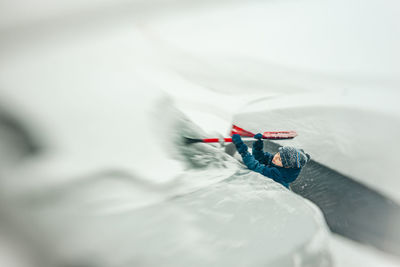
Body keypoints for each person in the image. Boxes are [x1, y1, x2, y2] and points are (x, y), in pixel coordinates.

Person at [232, 133, 311, 189]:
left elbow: (255, 166)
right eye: (278, 154)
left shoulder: (278, 175)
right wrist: (258, 146)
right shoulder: (278, 162)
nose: (276, 157)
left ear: (286, 166)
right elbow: (261, 158)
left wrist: (243, 152)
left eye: (279, 159)